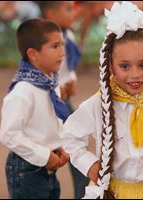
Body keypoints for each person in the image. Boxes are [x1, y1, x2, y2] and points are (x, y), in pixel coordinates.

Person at [62, 1, 143, 199]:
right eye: (125, 66)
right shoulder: (98, 104)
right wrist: (88, 164)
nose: (135, 75)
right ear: (111, 66)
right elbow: (70, 137)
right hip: (113, 192)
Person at [0, 18, 70, 199]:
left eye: (62, 45)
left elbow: (50, 121)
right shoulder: (23, 91)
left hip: (48, 166)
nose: (62, 52)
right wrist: (44, 155)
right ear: (33, 54)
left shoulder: (51, 83)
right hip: (26, 169)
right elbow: (9, 135)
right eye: (55, 47)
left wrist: (58, 145)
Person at [37, 2, 89, 198]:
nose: (74, 12)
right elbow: (42, 69)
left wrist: (71, 80)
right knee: (64, 147)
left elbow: (67, 67)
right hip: (52, 101)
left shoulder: (67, 33)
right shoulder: (40, 39)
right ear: (51, 13)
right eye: (68, 8)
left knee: (75, 146)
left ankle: (82, 193)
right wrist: (60, 86)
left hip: (63, 99)